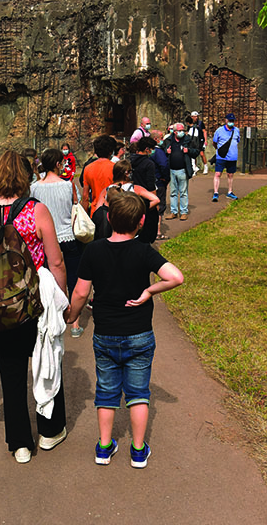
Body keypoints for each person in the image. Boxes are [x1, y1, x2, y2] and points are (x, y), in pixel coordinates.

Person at [63, 191, 184, 468]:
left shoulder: (94, 250)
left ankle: (104, 447)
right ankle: (138, 451)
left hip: (105, 333)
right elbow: (176, 277)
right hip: (139, 333)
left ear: (108, 218)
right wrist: (149, 291)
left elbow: (81, 292)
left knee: (106, 391)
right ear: (141, 222)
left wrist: (73, 316)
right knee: (138, 393)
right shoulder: (144, 251)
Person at [0, 150, 69, 464]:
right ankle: (50, 431)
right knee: (47, 361)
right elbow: (57, 260)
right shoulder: (36, 211)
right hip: (32, 303)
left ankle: (20, 443)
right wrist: (60, 300)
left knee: (10, 373)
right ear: (25, 178)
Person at [31, 148, 84, 338]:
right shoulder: (68, 185)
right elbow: (76, 206)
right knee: (72, 279)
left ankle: (51, 318)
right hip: (67, 236)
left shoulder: (35, 187)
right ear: (57, 164)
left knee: (48, 281)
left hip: (45, 241)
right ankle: (75, 323)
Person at [129, 137, 162, 242]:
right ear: (147, 149)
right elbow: (151, 185)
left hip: (131, 197)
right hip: (145, 199)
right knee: (147, 231)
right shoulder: (148, 164)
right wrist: (155, 201)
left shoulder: (130, 160)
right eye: (152, 149)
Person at [164, 122, 197, 221]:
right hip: (172, 170)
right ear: (174, 132)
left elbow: (196, 151)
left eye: (183, 130)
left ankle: (184, 212)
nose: (182, 132)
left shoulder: (188, 140)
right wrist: (167, 151)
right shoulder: (168, 140)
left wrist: (189, 151)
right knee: (173, 192)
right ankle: (174, 212)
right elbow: (162, 151)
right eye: (179, 130)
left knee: (183, 192)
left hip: (183, 170)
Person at [82, 135, 117, 217]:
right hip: (112, 211)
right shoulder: (115, 168)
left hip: (95, 211)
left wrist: (85, 215)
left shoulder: (88, 168)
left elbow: (85, 197)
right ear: (111, 152)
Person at [212, 113, 242, 201]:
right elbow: (214, 142)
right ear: (226, 120)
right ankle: (216, 192)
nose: (231, 122)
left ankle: (230, 192)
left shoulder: (236, 130)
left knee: (230, 174)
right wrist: (220, 150)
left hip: (232, 157)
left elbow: (237, 141)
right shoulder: (219, 130)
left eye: (232, 121)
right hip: (221, 157)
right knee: (218, 173)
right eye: (229, 120)